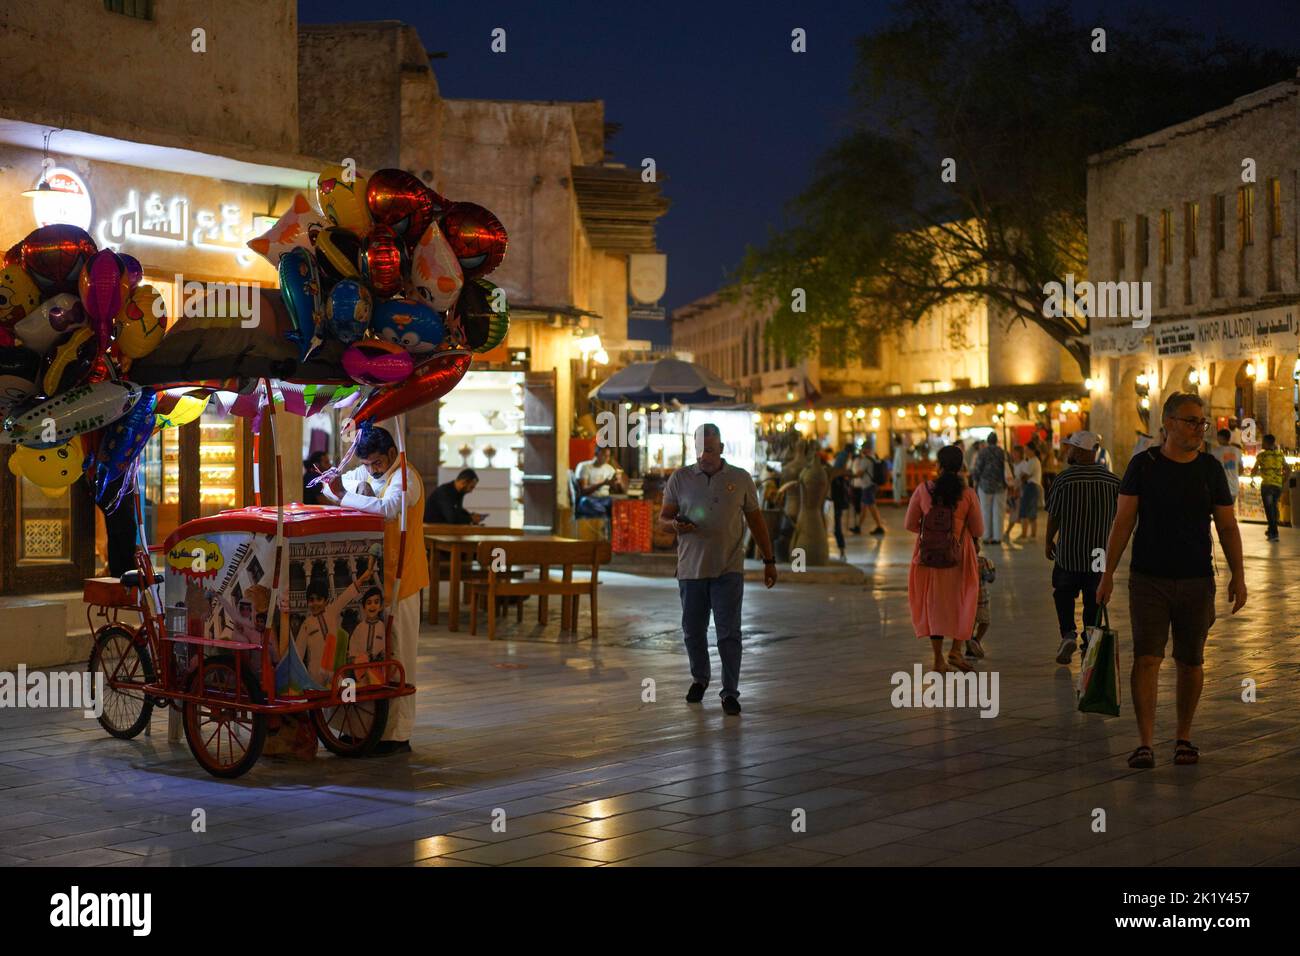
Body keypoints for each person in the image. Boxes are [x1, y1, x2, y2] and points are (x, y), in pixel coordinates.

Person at [1096, 393, 1246, 770]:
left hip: (1197, 579)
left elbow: (1227, 526)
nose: (1199, 429)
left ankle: (1183, 736)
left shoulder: (1210, 469)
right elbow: (1123, 522)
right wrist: (1107, 573)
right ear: (1168, 424)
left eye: (1202, 422)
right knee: (1147, 658)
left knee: (1190, 660)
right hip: (1149, 579)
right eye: (1192, 421)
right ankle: (1145, 742)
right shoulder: (1142, 466)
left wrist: (1238, 575)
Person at [319, 425, 430, 755]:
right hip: (375, 583)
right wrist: (338, 487)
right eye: (366, 464)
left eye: (377, 463)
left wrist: (345, 495)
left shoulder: (406, 477)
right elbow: (335, 489)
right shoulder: (367, 472)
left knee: (401, 656)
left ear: (392, 454)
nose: (371, 470)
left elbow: (389, 508)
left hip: (402, 579)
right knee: (369, 658)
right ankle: (364, 730)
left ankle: (397, 734)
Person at [659, 423, 778, 715]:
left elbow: (756, 521)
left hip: (728, 569)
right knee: (693, 631)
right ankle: (700, 678)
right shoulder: (680, 478)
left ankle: (730, 692)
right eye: (699, 449)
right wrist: (675, 526)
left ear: (722, 449)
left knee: (728, 633)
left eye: (710, 449)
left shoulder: (740, 479)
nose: (704, 455)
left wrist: (769, 560)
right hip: (691, 570)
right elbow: (662, 520)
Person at [905, 444, 984, 673]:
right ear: (960, 467)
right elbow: (978, 528)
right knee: (963, 601)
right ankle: (956, 651)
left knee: (934, 605)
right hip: (959, 555)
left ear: (938, 466)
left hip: (929, 555)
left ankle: (938, 659)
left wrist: (933, 530)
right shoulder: (968, 493)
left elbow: (910, 524)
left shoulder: (923, 490)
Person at [1043, 430, 1119, 664]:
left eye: (1071, 448)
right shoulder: (1113, 482)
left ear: (1078, 451)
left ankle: (1068, 634)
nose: (1068, 451)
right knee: (1094, 597)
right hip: (1098, 552)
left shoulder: (1064, 480)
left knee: (1063, 593)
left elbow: (1054, 515)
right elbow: (1123, 517)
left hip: (1068, 551)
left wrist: (1048, 540)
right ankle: (1090, 638)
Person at [970, 430, 1008, 545]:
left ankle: (986, 536)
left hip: (985, 485)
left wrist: (975, 481)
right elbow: (1008, 468)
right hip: (1000, 485)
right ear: (996, 441)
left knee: (985, 511)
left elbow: (978, 468)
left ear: (988, 441)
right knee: (999, 512)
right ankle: (997, 537)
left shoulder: (983, 452)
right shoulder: (1002, 452)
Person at [1252, 433, 1289, 541]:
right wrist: (1282, 480)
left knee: (1269, 509)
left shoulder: (1261, 456)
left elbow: (1254, 470)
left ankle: (1274, 533)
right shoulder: (1280, 455)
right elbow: (1288, 470)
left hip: (1267, 486)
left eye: (1263, 442)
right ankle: (1271, 530)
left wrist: (1252, 476)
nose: (1262, 444)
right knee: (1273, 507)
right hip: (1277, 486)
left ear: (1267, 443)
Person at [575, 446, 626, 519]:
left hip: (605, 499)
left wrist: (619, 481)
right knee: (585, 502)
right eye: (604, 455)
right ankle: (604, 517)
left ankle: (608, 517)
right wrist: (603, 483)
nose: (606, 458)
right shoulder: (584, 466)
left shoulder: (610, 469)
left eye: (608, 456)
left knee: (618, 504)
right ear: (596, 454)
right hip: (589, 499)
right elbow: (584, 490)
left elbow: (619, 491)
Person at [851, 444, 886, 535]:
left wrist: (850, 475)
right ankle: (858, 527)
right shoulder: (874, 457)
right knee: (864, 507)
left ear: (866, 449)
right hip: (872, 485)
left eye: (863, 448)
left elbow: (859, 473)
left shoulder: (865, 460)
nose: (861, 450)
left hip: (867, 486)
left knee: (872, 506)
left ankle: (880, 527)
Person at [967, 552, 995, 659]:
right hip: (981, 599)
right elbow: (991, 578)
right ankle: (976, 640)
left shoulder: (961, 561)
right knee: (985, 622)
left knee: (969, 626)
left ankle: (970, 648)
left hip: (966, 601)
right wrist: (992, 569)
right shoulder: (982, 561)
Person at [1014, 442, 1043, 541]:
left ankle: (1025, 535)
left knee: (1025, 510)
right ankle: (1031, 535)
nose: (1025, 452)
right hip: (1031, 487)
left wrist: (1021, 476)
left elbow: (1025, 476)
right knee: (1030, 510)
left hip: (1030, 487)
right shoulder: (1032, 461)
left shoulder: (1033, 461)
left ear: (1031, 450)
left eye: (1026, 450)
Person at [1209, 429, 1242, 508]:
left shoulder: (1215, 451)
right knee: (1230, 511)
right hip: (1234, 487)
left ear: (1220, 437)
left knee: (1220, 513)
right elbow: (1241, 469)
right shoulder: (1237, 451)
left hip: (1220, 487)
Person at [829, 451, 850, 560]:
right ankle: (841, 550)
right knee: (836, 527)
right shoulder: (836, 473)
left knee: (837, 527)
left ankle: (842, 550)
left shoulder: (841, 474)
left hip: (836, 503)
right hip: (832, 503)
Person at [891, 434, 908, 503]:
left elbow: (900, 462)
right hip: (897, 472)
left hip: (898, 472)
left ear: (897, 442)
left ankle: (897, 502)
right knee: (898, 487)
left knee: (897, 487)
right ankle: (898, 501)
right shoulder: (899, 449)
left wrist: (898, 471)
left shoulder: (900, 450)